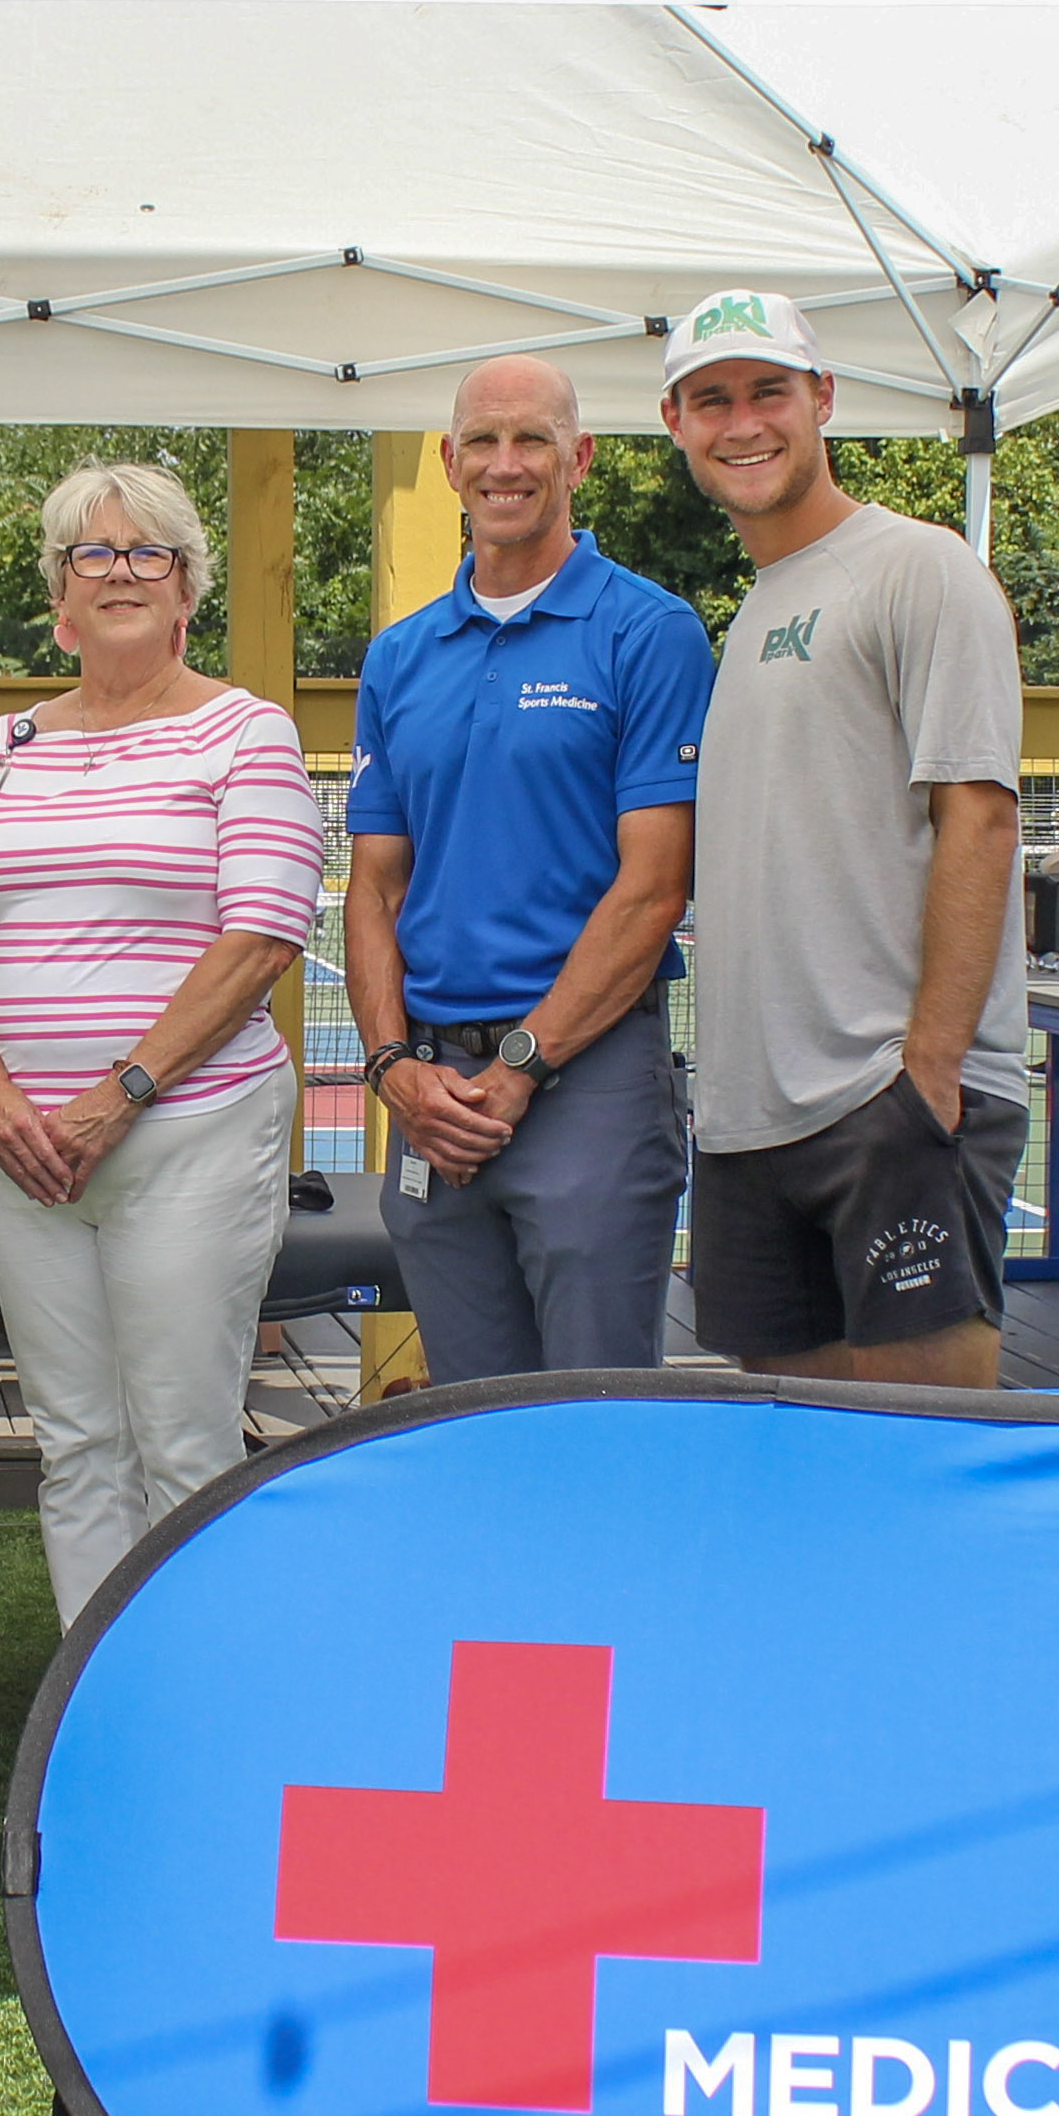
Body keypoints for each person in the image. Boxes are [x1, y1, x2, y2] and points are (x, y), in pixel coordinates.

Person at [0, 463, 321, 1621]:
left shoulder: (246, 732)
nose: (121, 572)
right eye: (91, 554)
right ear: (59, 594)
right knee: (75, 1444)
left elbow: (262, 936)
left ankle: (199, 1694)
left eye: (149, 552)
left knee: (182, 1440)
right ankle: (93, 1697)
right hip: (26, 1153)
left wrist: (119, 1094)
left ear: (189, 588)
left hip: (189, 1133)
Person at [656, 289, 1029, 1384]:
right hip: (753, 1120)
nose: (742, 423)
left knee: (920, 1455)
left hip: (883, 1099)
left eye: (767, 391)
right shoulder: (758, 610)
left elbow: (980, 817)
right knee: (801, 1460)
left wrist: (930, 1073)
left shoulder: (920, 568)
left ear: (822, 397)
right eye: (711, 400)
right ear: (675, 422)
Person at [345, 357, 706, 1377]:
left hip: (586, 1083)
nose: (505, 464)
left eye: (531, 440)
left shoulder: (650, 633)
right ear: (449, 461)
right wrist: (392, 1069)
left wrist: (519, 1069)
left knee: (592, 1419)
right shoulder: (400, 656)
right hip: (431, 1093)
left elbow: (653, 888)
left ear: (578, 459)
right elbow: (374, 887)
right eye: (483, 441)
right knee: (471, 1416)